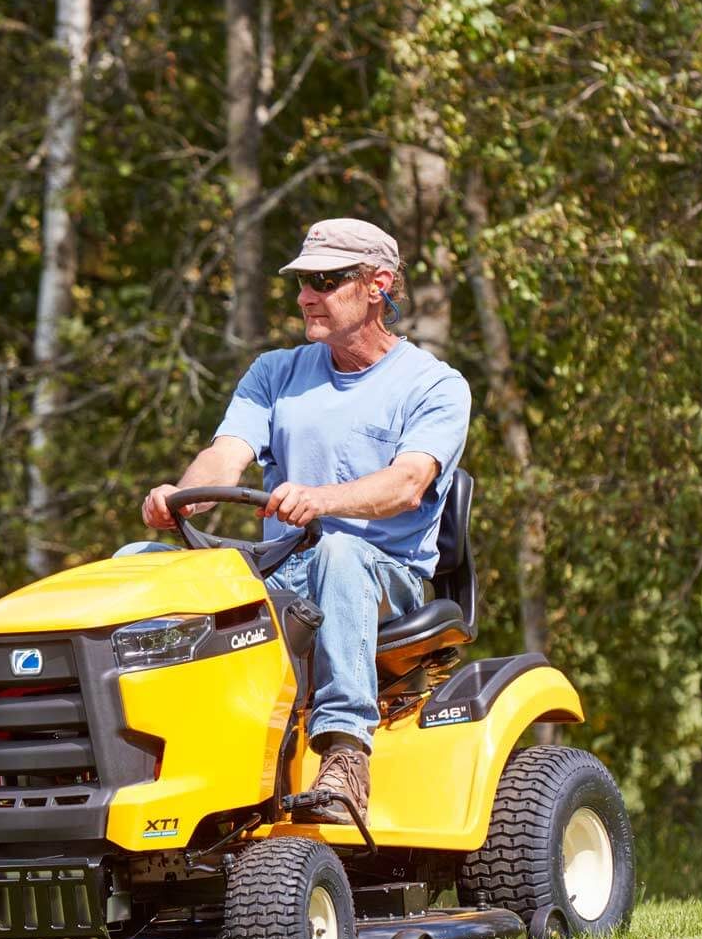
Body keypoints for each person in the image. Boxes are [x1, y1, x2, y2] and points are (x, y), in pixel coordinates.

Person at [135, 218, 471, 824]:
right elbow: (225, 455)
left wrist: (322, 499)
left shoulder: (435, 386)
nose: (305, 295)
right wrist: (181, 495)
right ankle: (132, 757)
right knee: (137, 564)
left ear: (378, 285)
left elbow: (407, 484)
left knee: (339, 552)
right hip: (282, 575)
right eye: (300, 282)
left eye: (324, 280)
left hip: (381, 580)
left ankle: (345, 755)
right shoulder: (274, 374)